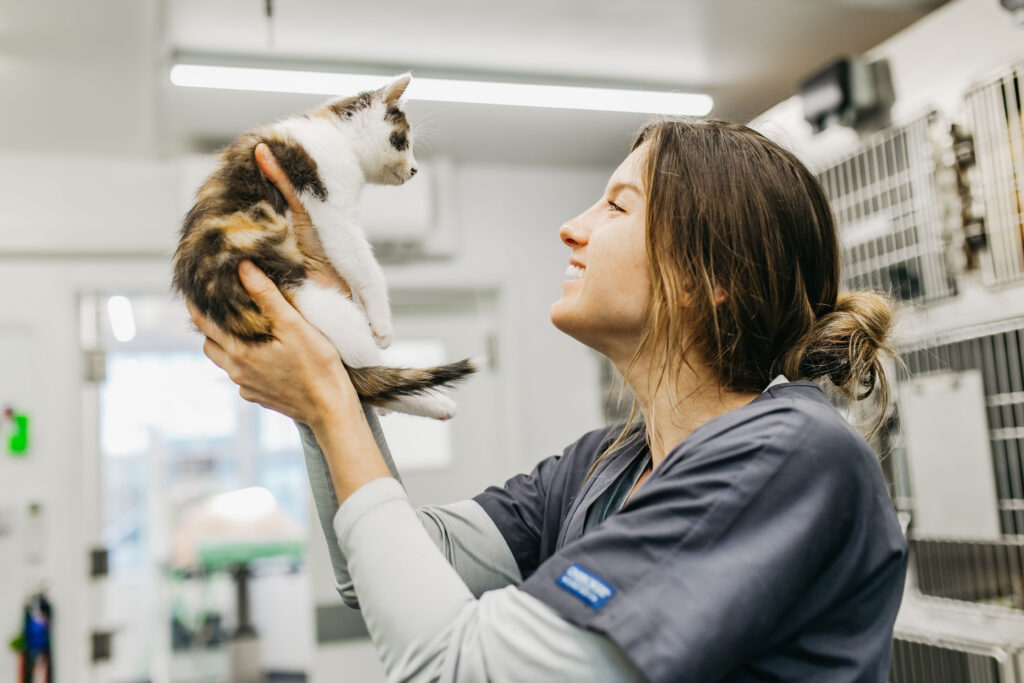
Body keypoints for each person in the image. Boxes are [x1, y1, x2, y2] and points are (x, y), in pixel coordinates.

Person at [189, 118, 908, 682]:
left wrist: (328, 401)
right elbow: (387, 565)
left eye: (618, 205)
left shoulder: (791, 457)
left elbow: (461, 668)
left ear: (711, 273)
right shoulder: (606, 465)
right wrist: (323, 361)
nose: (573, 226)